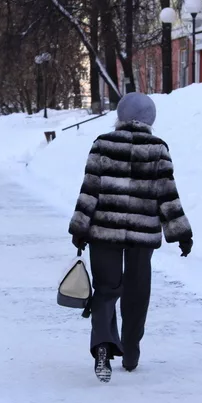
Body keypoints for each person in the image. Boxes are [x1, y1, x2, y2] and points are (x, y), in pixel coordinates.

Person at [68, 92, 193, 383]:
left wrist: (79, 228)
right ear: (150, 119)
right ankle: (132, 351)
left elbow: (90, 190)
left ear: (120, 117)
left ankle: (102, 344)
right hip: (141, 234)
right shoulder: (157, 148)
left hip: (104, 230)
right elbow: (167, 195)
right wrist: (182, 234)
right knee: (137, 291)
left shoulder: (103, 144)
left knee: (106, 289)